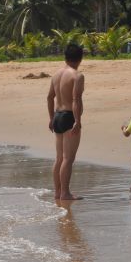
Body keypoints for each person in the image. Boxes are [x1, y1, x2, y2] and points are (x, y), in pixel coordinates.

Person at [47, 42, 85, 201]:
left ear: (66, 57)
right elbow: (76, 99)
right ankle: (65, 193)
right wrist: (77, 120)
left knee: (59, 158)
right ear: (80, 58)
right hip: (69, 116)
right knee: (68, 158)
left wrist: (50, 118)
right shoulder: (77, 76)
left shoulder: (56, 75)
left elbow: (50, 97)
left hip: (57, 116)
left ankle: (57, 192)